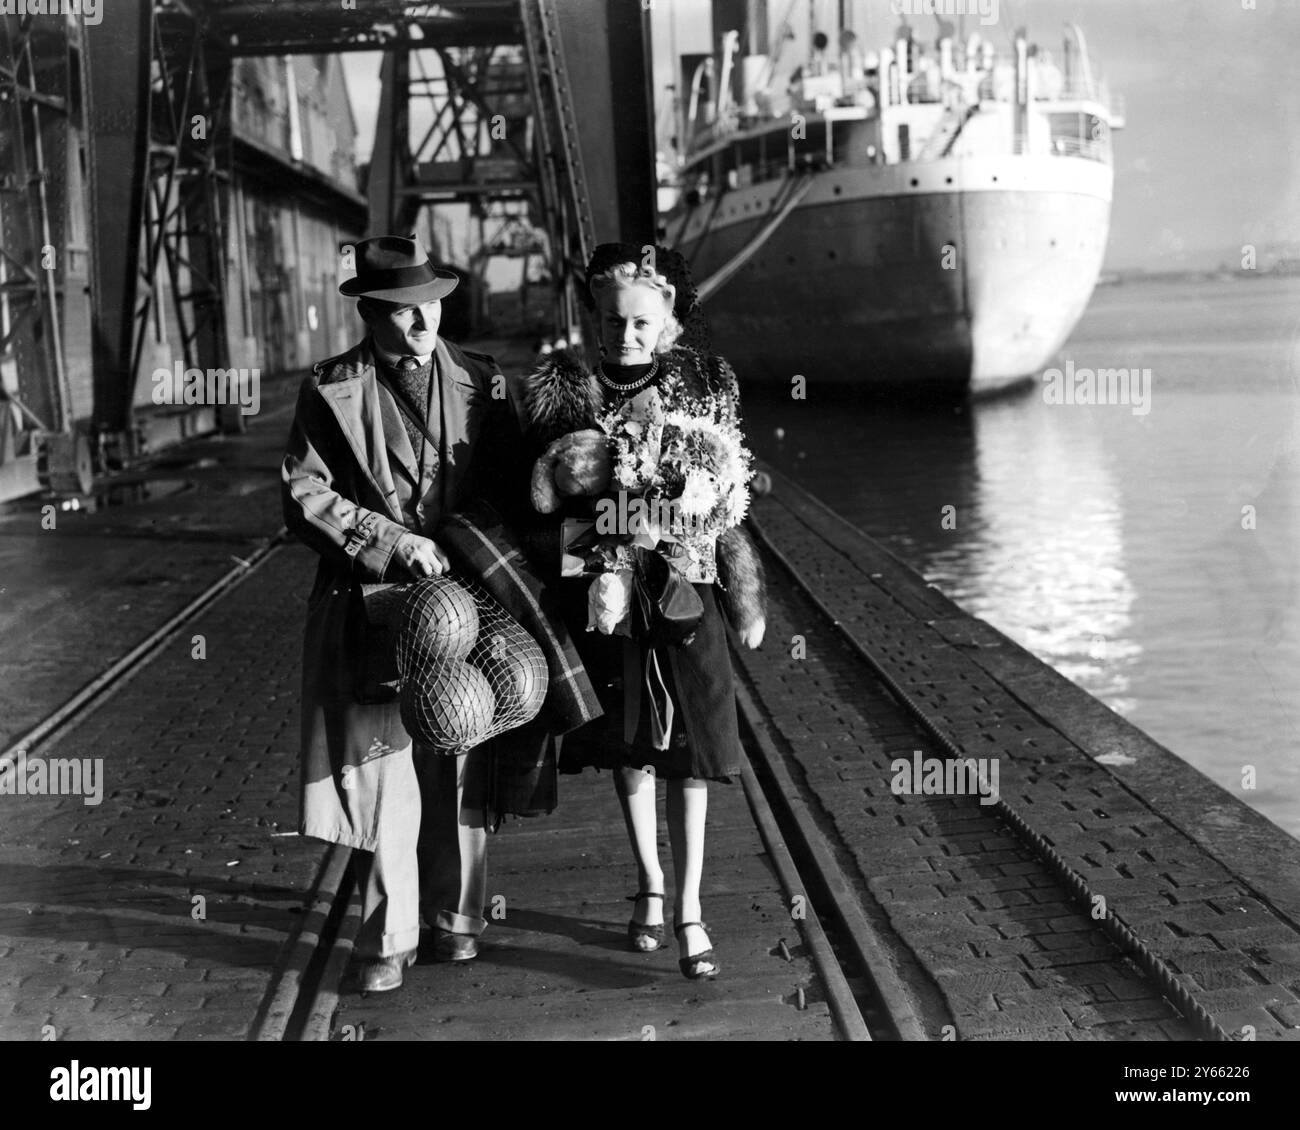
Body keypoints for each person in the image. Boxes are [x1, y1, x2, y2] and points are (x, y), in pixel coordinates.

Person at [281, 235, 538, 992]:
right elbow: (305, 495)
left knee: (460, 747)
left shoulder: (484, 385)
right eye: (401, 310)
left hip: (467, 602)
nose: (422, 321)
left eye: (430, 304)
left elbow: (517, 488)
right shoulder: (329, 390)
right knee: (383, 765)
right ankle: (387, 938)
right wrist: (392, 542)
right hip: (375, 604)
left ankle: (457, 920)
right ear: (369, 312)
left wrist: (474, 543)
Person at [521, 244, 767, 980]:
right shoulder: (573, 395)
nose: (624, 336)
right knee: (631, 747)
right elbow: (546, 506)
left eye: (640, 324)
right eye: (611, 321)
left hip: (688, 595)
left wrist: (745, 589)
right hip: (612, 598)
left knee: (691, 750)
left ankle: (691, 907)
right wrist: (614, 529)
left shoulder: (707, 383)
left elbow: (729, 504)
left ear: (668, 322)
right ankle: (649, 887)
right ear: (595, 319)